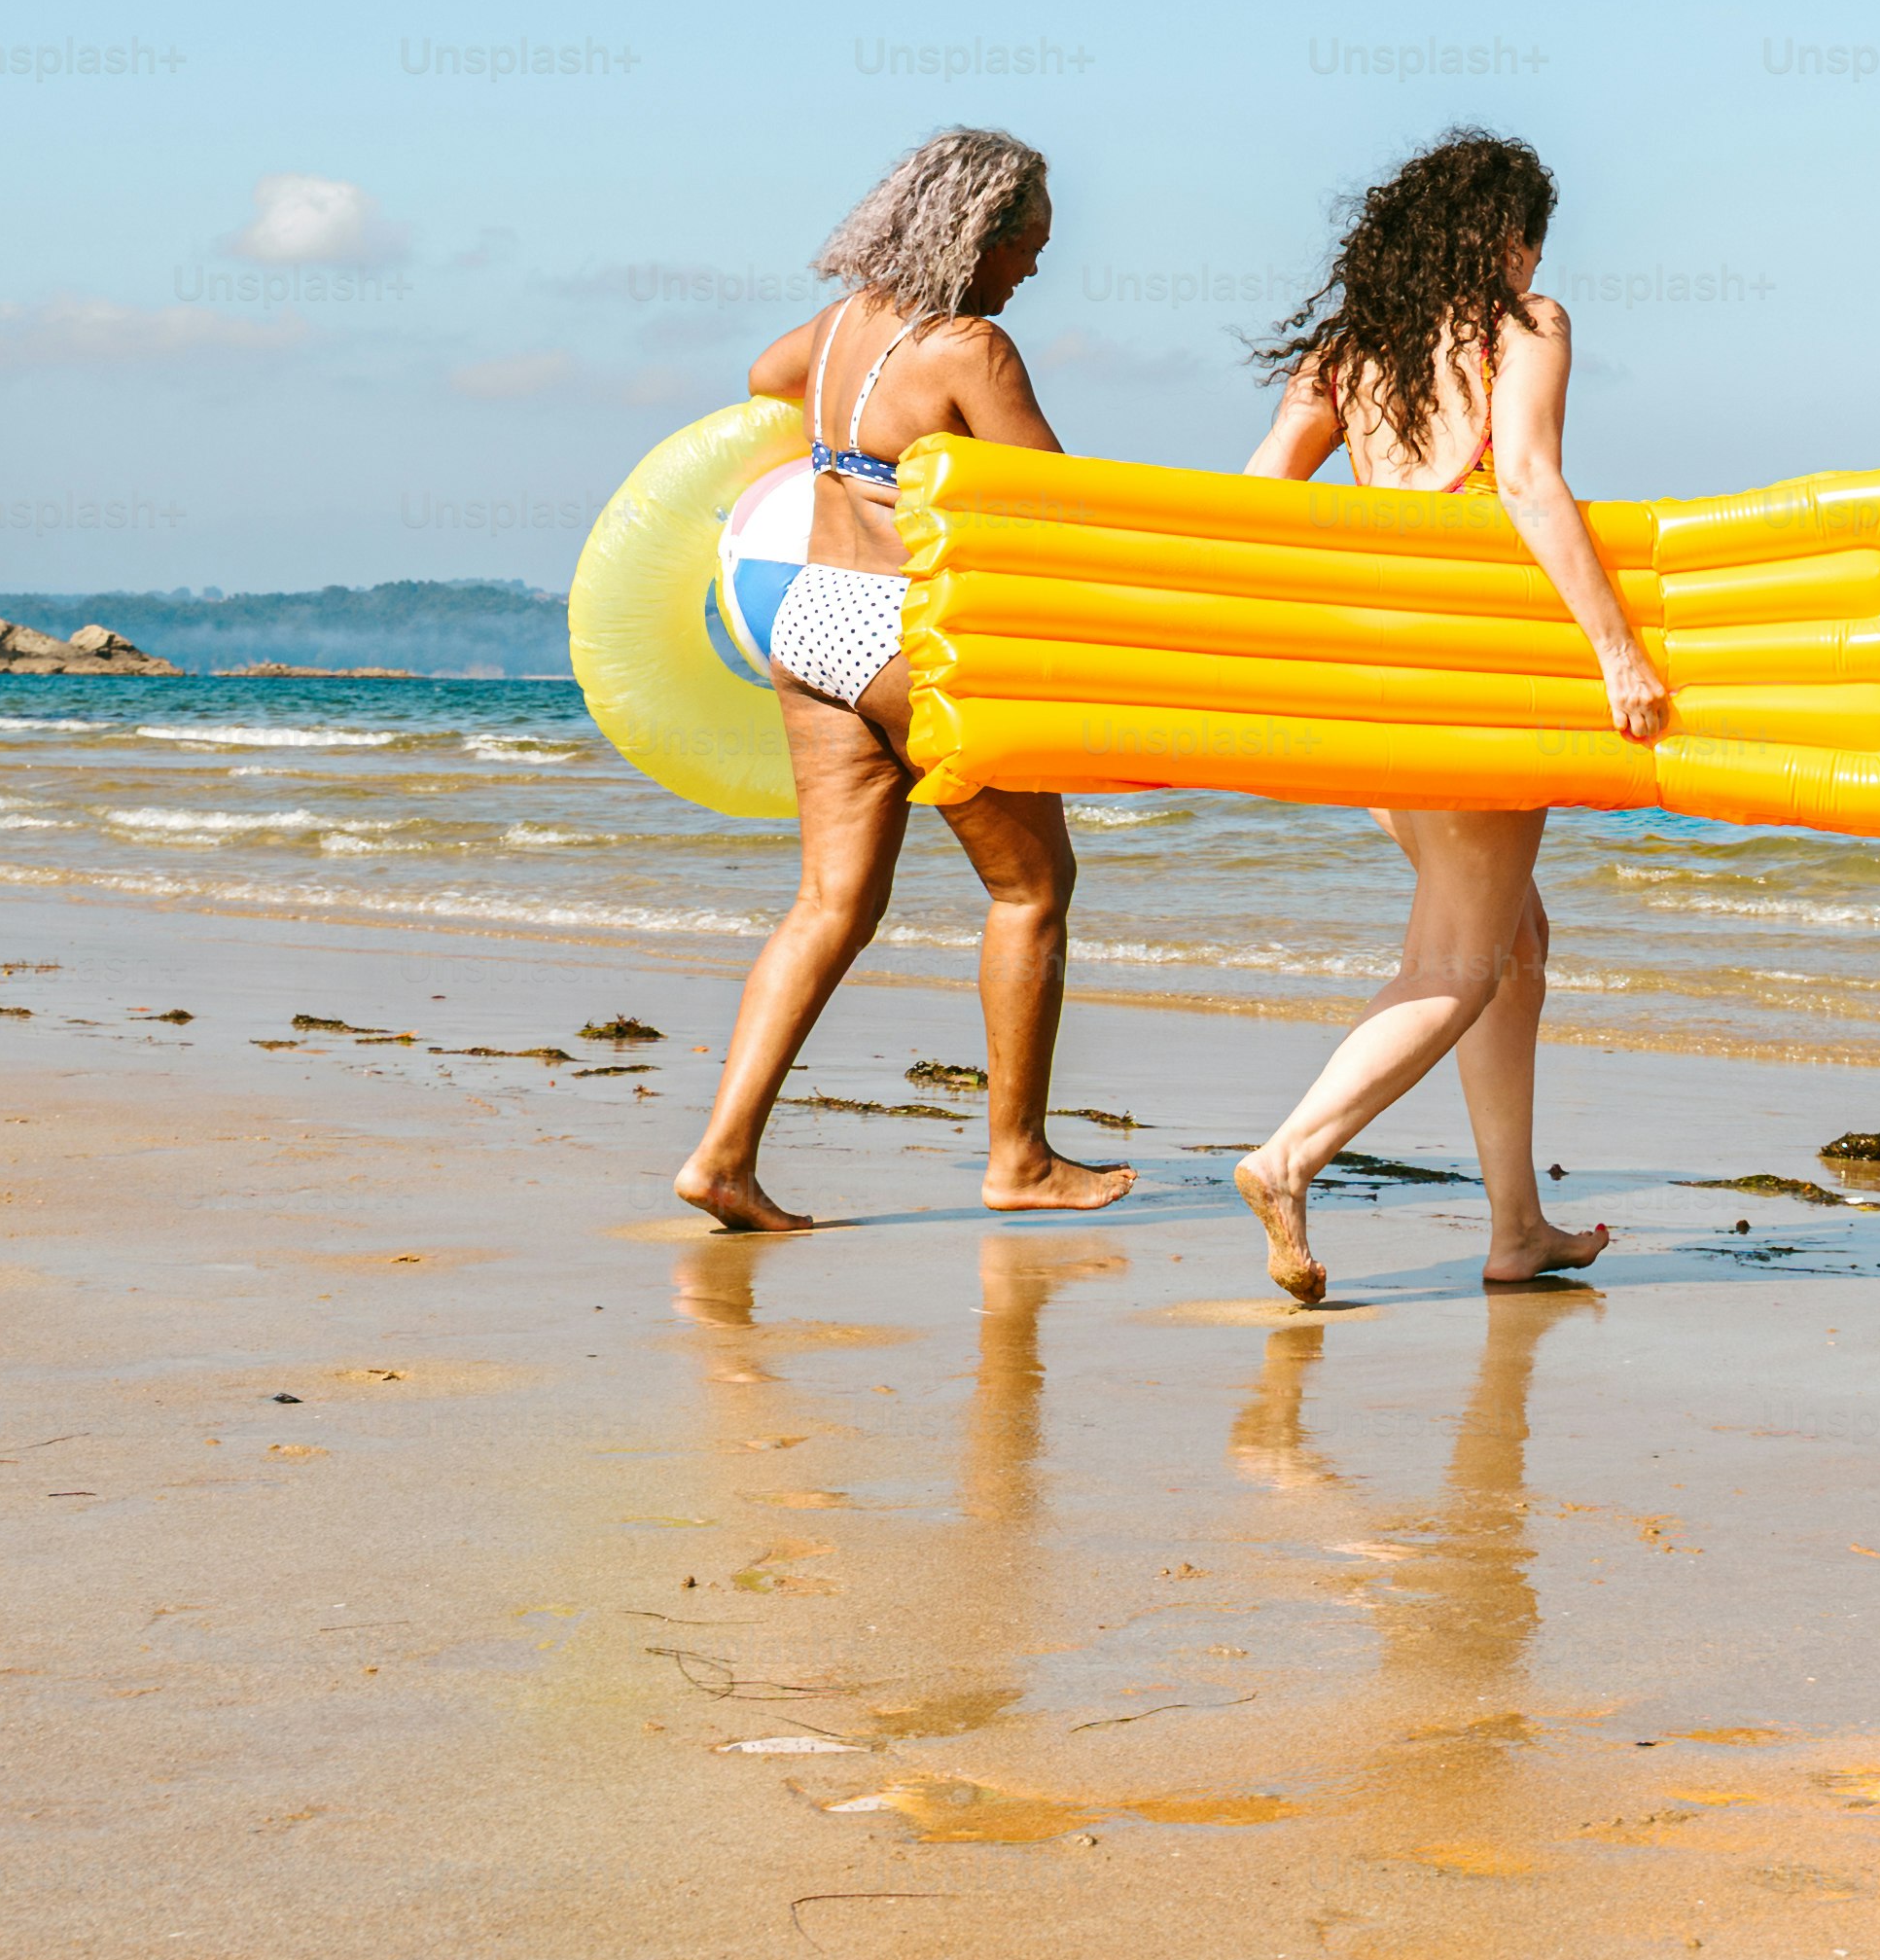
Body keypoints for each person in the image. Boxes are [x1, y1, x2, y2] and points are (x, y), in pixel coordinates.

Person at [1220, 130, 1663, 1303]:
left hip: (1375, 692)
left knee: (1517, 945)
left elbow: (1256, 501)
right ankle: (1290, 1155)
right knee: (1461, 960)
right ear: (1505, 236)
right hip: (1472, 688)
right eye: (1531, 242)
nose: (1534, 264)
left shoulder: (1346, 353)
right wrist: (1617, 649)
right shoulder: (1524, 326)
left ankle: (1518, 1227)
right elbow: (1525, 479)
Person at [668, 127, 1129, 1232]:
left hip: (806, 615)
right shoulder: (969, 349)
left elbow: (761, 377)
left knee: (830, 902)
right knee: (1032, 889)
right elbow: (1049, 504)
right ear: (979, 232)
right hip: (907, 628)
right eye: (1028, 245)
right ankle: (1018, 1156)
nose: (1032, 269)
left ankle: (722, 1154)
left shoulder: (835, 329)